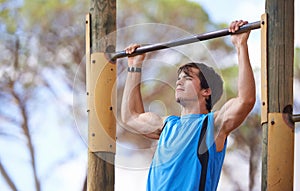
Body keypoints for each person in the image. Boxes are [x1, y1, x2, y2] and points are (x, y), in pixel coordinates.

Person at [121, 20, 256, 191]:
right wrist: (134, 66)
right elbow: (130, 117)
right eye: (179, 78)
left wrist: (240, 45)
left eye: (187, 78)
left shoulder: (212, 126)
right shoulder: (167, 126)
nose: (179, 82)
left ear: (206, 91)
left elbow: (246, 100)